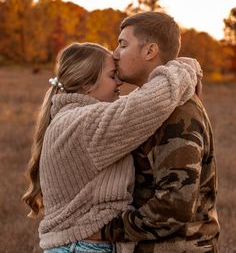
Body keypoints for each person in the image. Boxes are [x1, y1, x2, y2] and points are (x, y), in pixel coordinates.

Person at [22, 41, 200, 253]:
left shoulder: (71, 118)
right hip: (84, 247)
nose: (119, 82)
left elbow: (130, 105)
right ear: (86, 85)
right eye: (111, 75)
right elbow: (148, 105)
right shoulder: (84, 124)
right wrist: (185, 68)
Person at [101, 12, 220, 253]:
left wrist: (105, 231)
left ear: (149, 51)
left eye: (123, 45)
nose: (114, 53)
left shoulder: (178, 112)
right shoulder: (149, 106)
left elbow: (175, 204)